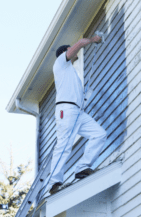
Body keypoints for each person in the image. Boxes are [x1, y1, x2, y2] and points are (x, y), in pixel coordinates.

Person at [48, 35, 107, 195]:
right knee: (64, 145)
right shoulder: (60, 63)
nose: (75, 54)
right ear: (65, 52)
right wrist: (94, 39)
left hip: (78, 113)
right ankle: (54, 181)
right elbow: (80, 43)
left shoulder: (70, 72)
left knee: (99, 134)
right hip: (66, 110)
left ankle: (82, 168)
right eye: (70, 50)